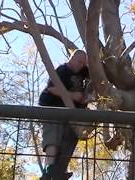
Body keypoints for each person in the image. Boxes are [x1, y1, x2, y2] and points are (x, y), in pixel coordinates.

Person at [39, 50, 89, 180]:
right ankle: (49, 169)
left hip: (71, 113)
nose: (81, 65)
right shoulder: (62, 70)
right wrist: (73, 96)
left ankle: (60, 170)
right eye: (79, 61)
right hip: (52, 106)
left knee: (70, 138)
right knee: (53, 136)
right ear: (72, 59)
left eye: (83, 63)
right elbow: (51, 88)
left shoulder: (83, 71)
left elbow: (96, 71)